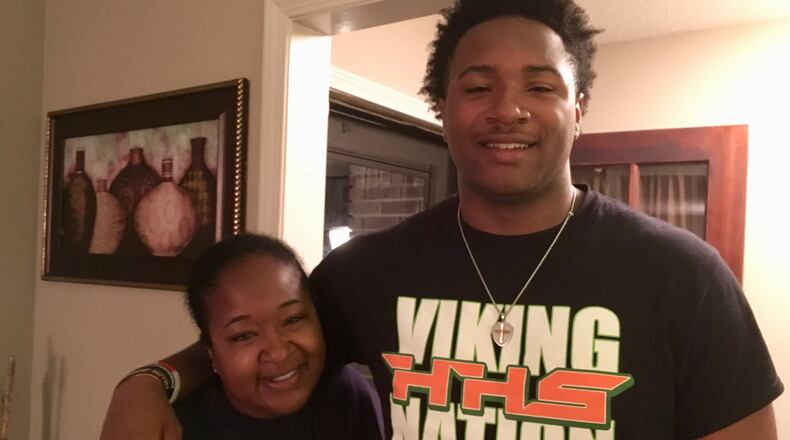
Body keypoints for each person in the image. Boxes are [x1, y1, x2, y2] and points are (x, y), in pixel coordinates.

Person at [100, 0, 784, 438]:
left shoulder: (682, 276)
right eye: (479, 86)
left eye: (540, 86)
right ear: (444, 108)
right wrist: (148, 383)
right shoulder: (368, 271)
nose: (507, 109)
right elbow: (263, 342)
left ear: (578, 110)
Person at [107, 234, 383, 439]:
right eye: (244, 335)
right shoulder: (172, 427)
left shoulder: (350, 397)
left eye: (293, 319)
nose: (278, 352)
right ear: (211, 354)